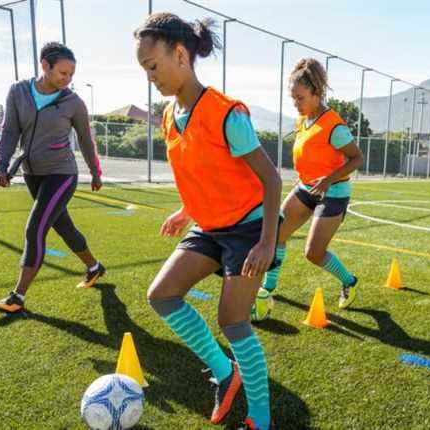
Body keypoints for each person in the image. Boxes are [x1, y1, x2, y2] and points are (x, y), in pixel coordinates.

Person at [135, 13, 281, 430]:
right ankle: (224, 371)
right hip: (210, 225)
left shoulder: (226, 114)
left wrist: (267, 243)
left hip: (249, 228)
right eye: (144, 69)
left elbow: (271, 179)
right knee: (162, 295)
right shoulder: (168, 116)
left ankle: (260, 419)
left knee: (233, 321)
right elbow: (199, 171)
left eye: (152, 66)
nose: (150, 77)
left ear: (180, 54)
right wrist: (186, 210)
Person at [0, 42, 104, 314]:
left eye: (71, 74)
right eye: (63, 73)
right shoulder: (18, 92)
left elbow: (87, 141)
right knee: (63, 227)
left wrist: (95, 171)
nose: (68, 79)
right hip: (32, 173)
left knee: (35, 228)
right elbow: (9, 131)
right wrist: (2, 164)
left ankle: (17, 297)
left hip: (62, 173)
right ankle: (94, 266)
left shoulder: (73, 102)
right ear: (45, 65)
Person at [252, 58, 364, 320]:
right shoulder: (303, 120)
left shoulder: (333, 125)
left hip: (333, 192)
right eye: (293, 99)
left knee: (313, 253)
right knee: (276, 233)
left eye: (300, 98)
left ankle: (350, 281)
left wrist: (328, 180)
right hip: (306, 188)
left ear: (316, 93)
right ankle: (268, 288)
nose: (296, 104)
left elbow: (357, 158)